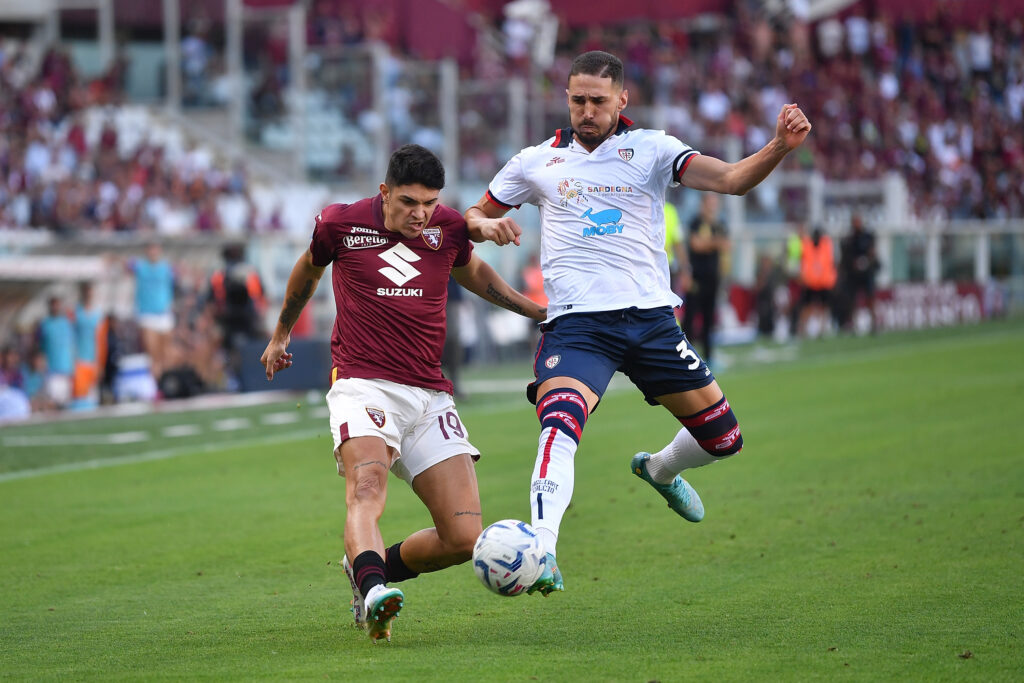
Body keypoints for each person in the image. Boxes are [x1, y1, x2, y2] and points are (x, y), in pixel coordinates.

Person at [465, 50, 811, 596]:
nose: (586, 110)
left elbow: (732, 180)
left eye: (598, 101)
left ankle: (660, 470)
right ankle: (544, 550)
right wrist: (488, 229)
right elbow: (475, 214)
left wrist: (778, 148)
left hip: (650, 322)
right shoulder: (535, 161)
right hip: (578, 326)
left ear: (622, 99)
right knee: (559, 424)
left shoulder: (653, 149)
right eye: (577, 100)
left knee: (724, 439)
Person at [259, 144, 546, 642]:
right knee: (366, 488)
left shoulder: (447, 227)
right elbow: (308, 269)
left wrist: (534, 312)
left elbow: (470, 269)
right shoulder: (339, 224)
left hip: (430, 393)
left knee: (462, 538)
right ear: (384, 192)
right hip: (361, 384)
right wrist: (281, 332)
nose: (420, 214)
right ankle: (373, 597)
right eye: (409, 202)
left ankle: (370, 572)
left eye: (430, 203)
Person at [680, 193, 730, 365]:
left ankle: (709, 356)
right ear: (703, 204)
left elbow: (727, 246)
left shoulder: (720, 225)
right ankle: (685, 356)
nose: (712, 206)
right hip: (696, 278)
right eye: (709, 202)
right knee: (690, 318)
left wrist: (709, 243)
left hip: (712, 278)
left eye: (714, 203)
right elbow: (696, 245)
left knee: (709, 319)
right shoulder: (696, 222)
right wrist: (715, 243)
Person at [131, 243, 175, 382]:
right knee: (152, 353)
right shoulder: (140, 266)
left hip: (164, 314)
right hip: (147, 314)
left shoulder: (166, 268)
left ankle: (165, 382)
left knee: (166, 353)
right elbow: (125, 264)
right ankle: (155, 385)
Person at [839, 213, 879, 333]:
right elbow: (845, 257)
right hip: (853, 274)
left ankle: (874, 324)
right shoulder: (849, 238)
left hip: (867, 273)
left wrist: (866, 262)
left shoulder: (867, 236)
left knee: (870, 298)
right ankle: (854, 325)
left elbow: (872, 252)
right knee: (853, 300)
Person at [798, 227, 837, 338]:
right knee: (806, 307)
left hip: (824, 282)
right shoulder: (806, 245)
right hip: (810, 282)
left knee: (824, 307)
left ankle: (822, 328)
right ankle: (803, 329)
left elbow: (831, 262)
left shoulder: (826, 245)